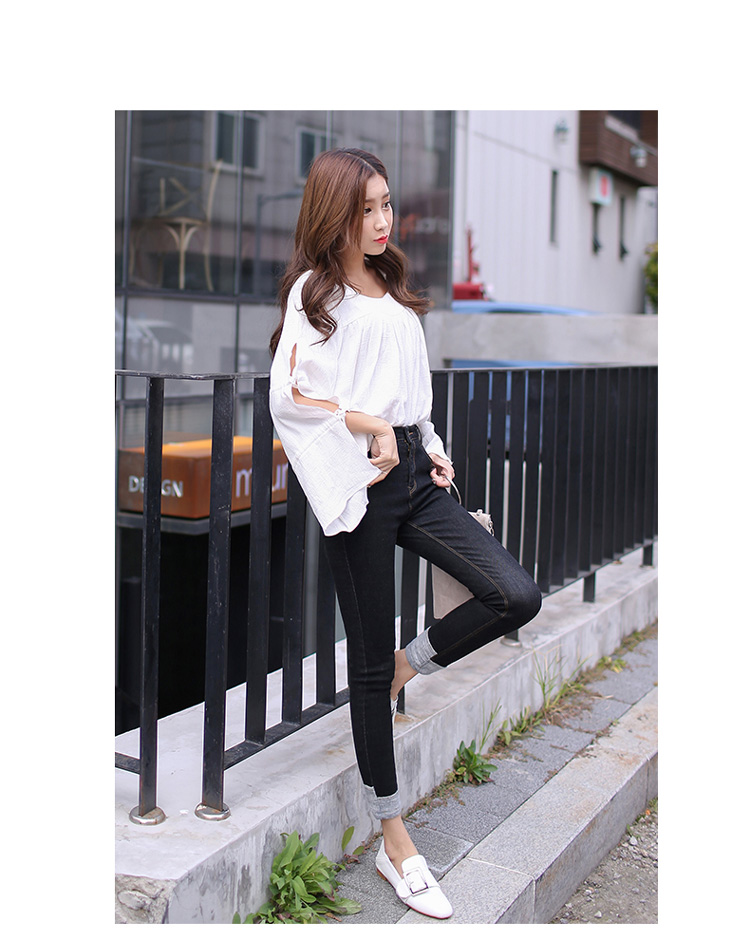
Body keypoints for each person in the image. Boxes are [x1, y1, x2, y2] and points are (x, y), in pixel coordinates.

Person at [269, 148, 542, 919]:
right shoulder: (313, 295)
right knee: (362, 662)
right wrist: (371, 426)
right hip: (359, 480)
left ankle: (405, 666)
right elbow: (291, 397)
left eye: (386, 204)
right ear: (335, 214)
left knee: (514, 593)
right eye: (366, 209)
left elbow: (409, 393)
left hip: (415, 474)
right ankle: (394, 837)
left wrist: (430, 441)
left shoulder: (389, 284)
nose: (382, 220)